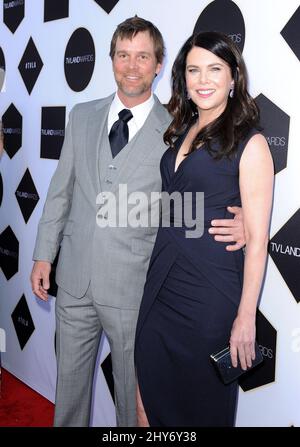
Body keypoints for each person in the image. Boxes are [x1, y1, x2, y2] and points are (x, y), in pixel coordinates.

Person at [30, 18, 245, 427]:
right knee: (68, 394)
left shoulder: (180, 130)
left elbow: (195, 202)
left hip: (136, 290)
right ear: (111, 60)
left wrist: (245, 225)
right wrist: (44, 255)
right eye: (123, 56)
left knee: (134, 404)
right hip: (73, 281)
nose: (132, 66)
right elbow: (60, 192)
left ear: (160, 64)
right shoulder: (82, 116)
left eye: (143, 56)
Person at [135, 31, 274, 427]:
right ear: (184, 78)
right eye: (194, 70)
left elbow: (259, 241)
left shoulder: (251, 143)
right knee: (146, 401)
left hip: (208, 296)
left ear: (233, 78)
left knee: (199, 409)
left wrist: (246, 317)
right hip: (160, 284)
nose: (203, 79)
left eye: (215, 69)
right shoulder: (181, 129)